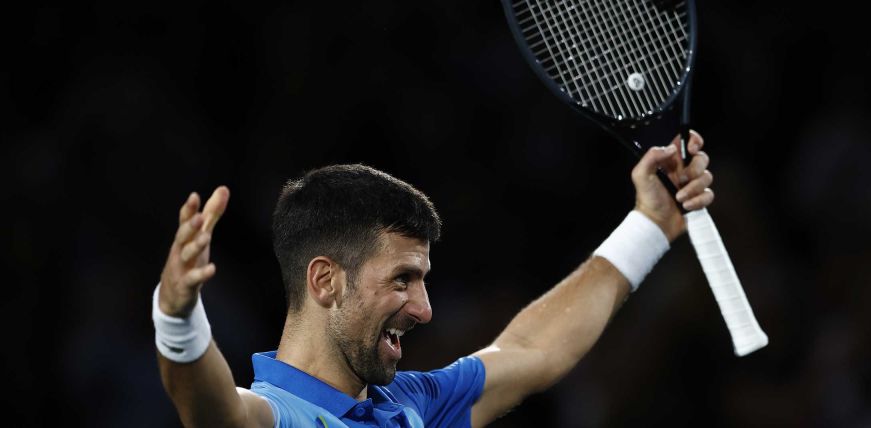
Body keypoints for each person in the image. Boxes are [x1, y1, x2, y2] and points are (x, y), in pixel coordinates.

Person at [153, 132, 715, 427]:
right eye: (402, 280)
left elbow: (533, 349)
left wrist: (650, 226)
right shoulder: (277, 417)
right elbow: (215, 412)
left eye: (422, 281)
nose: (423, 310)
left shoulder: (416, 406)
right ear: (326, 281)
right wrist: (176, 317)